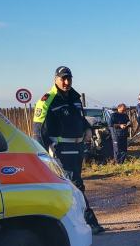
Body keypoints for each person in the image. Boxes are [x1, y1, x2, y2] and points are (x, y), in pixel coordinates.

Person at [33, 66, 105, 233]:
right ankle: (90, 222)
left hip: (77, 148)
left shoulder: (75, 98)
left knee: (71, 186)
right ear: (55, 79)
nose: (66, 82)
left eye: (69, 78)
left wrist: (87, 128)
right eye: (63, 78)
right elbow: (38, 130)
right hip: (60, 150)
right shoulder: (47, 100)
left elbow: (79, 118)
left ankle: (64, 223)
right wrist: (42, 156)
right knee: (76, 186)